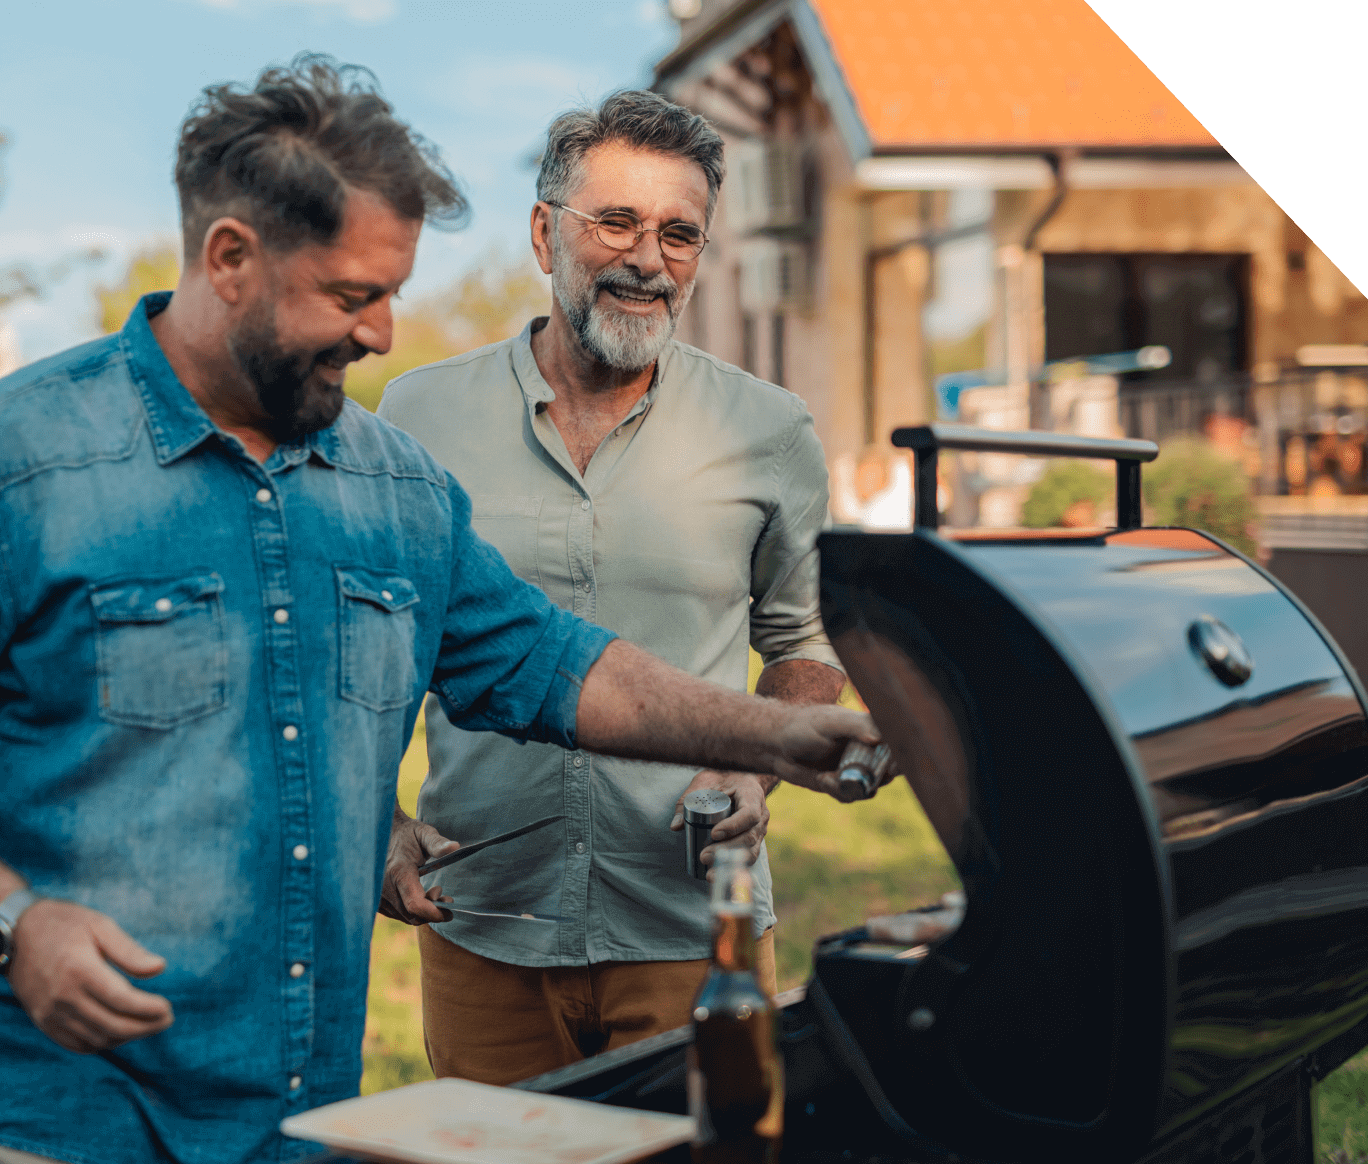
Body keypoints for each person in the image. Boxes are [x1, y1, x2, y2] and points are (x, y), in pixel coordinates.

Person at [0, 56, 878, 1164]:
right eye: (353, 296)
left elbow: (552, 665)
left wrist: (783, 736)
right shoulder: (25, 463)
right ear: (229, 259)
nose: (380, 335)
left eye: (394, 294)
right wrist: (14, 922)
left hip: (298, 1114)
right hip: (58, 1119)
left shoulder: (392, 485)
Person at [376, 90, 848, 1086]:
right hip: (486, 918)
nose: (647, 259)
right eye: (617, 222)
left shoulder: (771, 430)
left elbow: (805, 642)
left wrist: (756, 775)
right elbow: (380, 645)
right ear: (546, 235)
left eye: (680, 234)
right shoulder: (418, 413)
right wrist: (378, 815)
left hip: (692, 920)